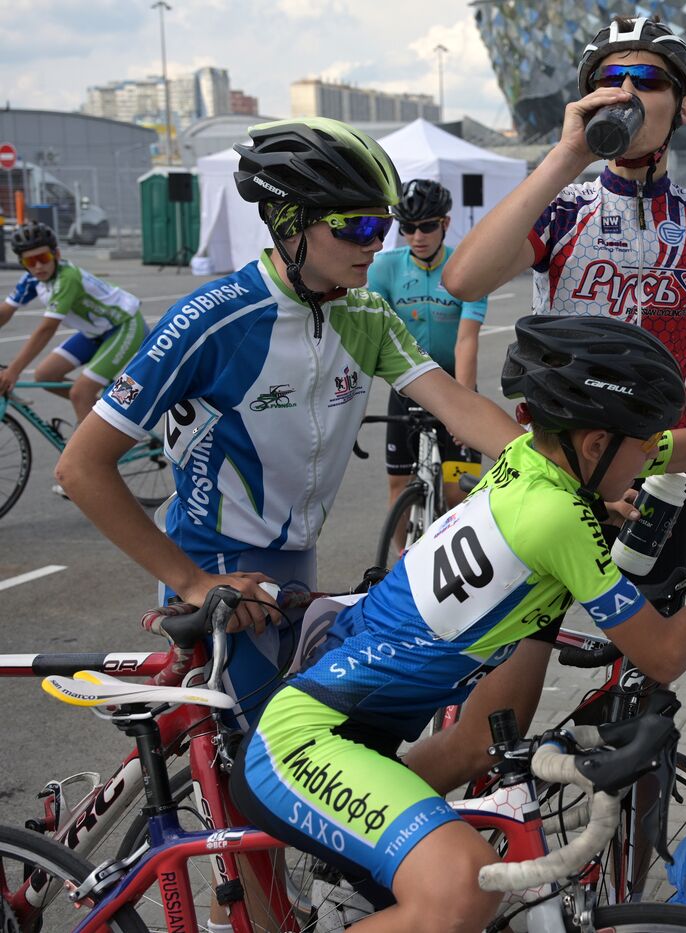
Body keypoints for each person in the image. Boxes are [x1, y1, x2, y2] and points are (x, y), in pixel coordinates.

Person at [231, 313, 686, 929]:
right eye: (646, 439)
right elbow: (661, 655)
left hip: (357, 734)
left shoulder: (539, 459)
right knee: (461, 895)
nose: (655, 452)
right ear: (595, 444)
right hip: (304, 742)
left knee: (463, 874)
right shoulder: (557, 513)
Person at [54, 118, 522, 728]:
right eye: (356, 225)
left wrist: (568, 476)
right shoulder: (213, 320)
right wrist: (190, 581)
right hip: (219, 569)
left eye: (381, 225)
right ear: (290, 225)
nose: (375, 243)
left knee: (300, 746)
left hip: (296, 562)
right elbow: (81, 467)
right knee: (262, 777)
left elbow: (459, 405)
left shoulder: (367, 314)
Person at [443, 15, 686, 592]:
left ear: (684, 108)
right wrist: (568, 155)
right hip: (551, 470)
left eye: (647, 78)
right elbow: (463, 280)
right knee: (512, 662)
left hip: (658, 472)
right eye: (609, 78)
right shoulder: (561, 207)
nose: (624, 92)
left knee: (647, 668)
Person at [366, 178, 487, 553]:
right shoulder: (385, 267)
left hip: (455, 385)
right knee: (397, 486)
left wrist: (463, 410)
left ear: (445, 224)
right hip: (407, 385)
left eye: (427, 226)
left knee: (456, 491)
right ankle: (400, 562)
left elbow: (467, 340)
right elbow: (375, 335)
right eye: (407, 228)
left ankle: (452, 561)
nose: (417, 236)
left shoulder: (466, 268)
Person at [0, 221, 146, 427]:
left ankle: (93, 454)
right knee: (45, 376)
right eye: (30, 262)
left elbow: (47, 329)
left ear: (56, 255)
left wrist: (13, 370)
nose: (38, 266)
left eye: (43, 258)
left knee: (81, 392)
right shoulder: (31, 279)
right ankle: (113, 421)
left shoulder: (67, 278)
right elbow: (5, 311)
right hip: (94, 332)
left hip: (124, 326)